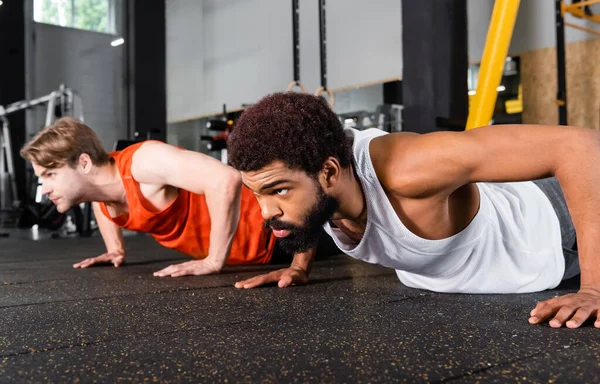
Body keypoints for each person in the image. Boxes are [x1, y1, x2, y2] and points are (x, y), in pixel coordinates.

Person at [227, 91, 600, 330]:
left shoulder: (409, 168)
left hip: (549, 228)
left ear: (329, 172)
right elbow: (311, 203)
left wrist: (594, 290)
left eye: (276, 191)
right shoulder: (317, 182)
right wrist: (298, 267)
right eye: (257, 193)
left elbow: (578, 146)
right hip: (505, 255)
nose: (265, 211)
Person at [20, 117, 276, 277]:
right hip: (247, 263)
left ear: (84, 163)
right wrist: (115, 250)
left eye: (50, 174)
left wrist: (213, 261)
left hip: (276, 232)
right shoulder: (100, 191)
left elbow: (225, 179)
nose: (45, 188)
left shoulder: (143, 163)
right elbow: (99, 201)